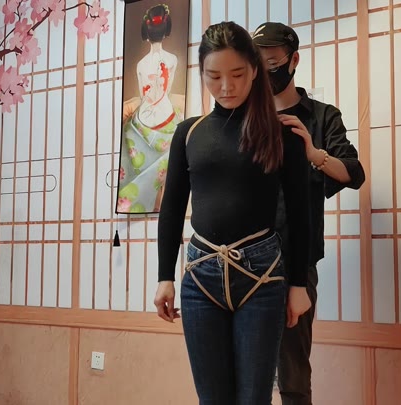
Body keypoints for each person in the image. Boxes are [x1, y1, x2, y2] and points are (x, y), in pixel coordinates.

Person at [153, 21, 312, 405]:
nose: (226, 86)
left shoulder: (282, 133)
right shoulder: (188, 133)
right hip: (200, 277)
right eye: (214, 76)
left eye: (237, 74)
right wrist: (164, 277)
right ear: (202, 73)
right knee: (213, 399)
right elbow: (172, 208)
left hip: (262, 277)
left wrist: (298, 285)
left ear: (254, 71)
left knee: (253, 398)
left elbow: (300, 212)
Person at [252, 22, 366, 405]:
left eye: (272, 63)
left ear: (293, 60)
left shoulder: (320, 116)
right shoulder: (245, 117)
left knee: (293, 374)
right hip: (243, 260)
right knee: (244, 374)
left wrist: (314, 154)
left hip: (295, 265)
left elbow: (353, 173)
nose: (264, 72)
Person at [118, 3, 185, 213]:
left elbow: (142, 95)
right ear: (165, 31)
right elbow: (168, 90)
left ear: (146, 34)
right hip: (167, 118)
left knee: (128, 142)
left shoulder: (141, 65)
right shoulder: (173, 60)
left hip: (143, 121)